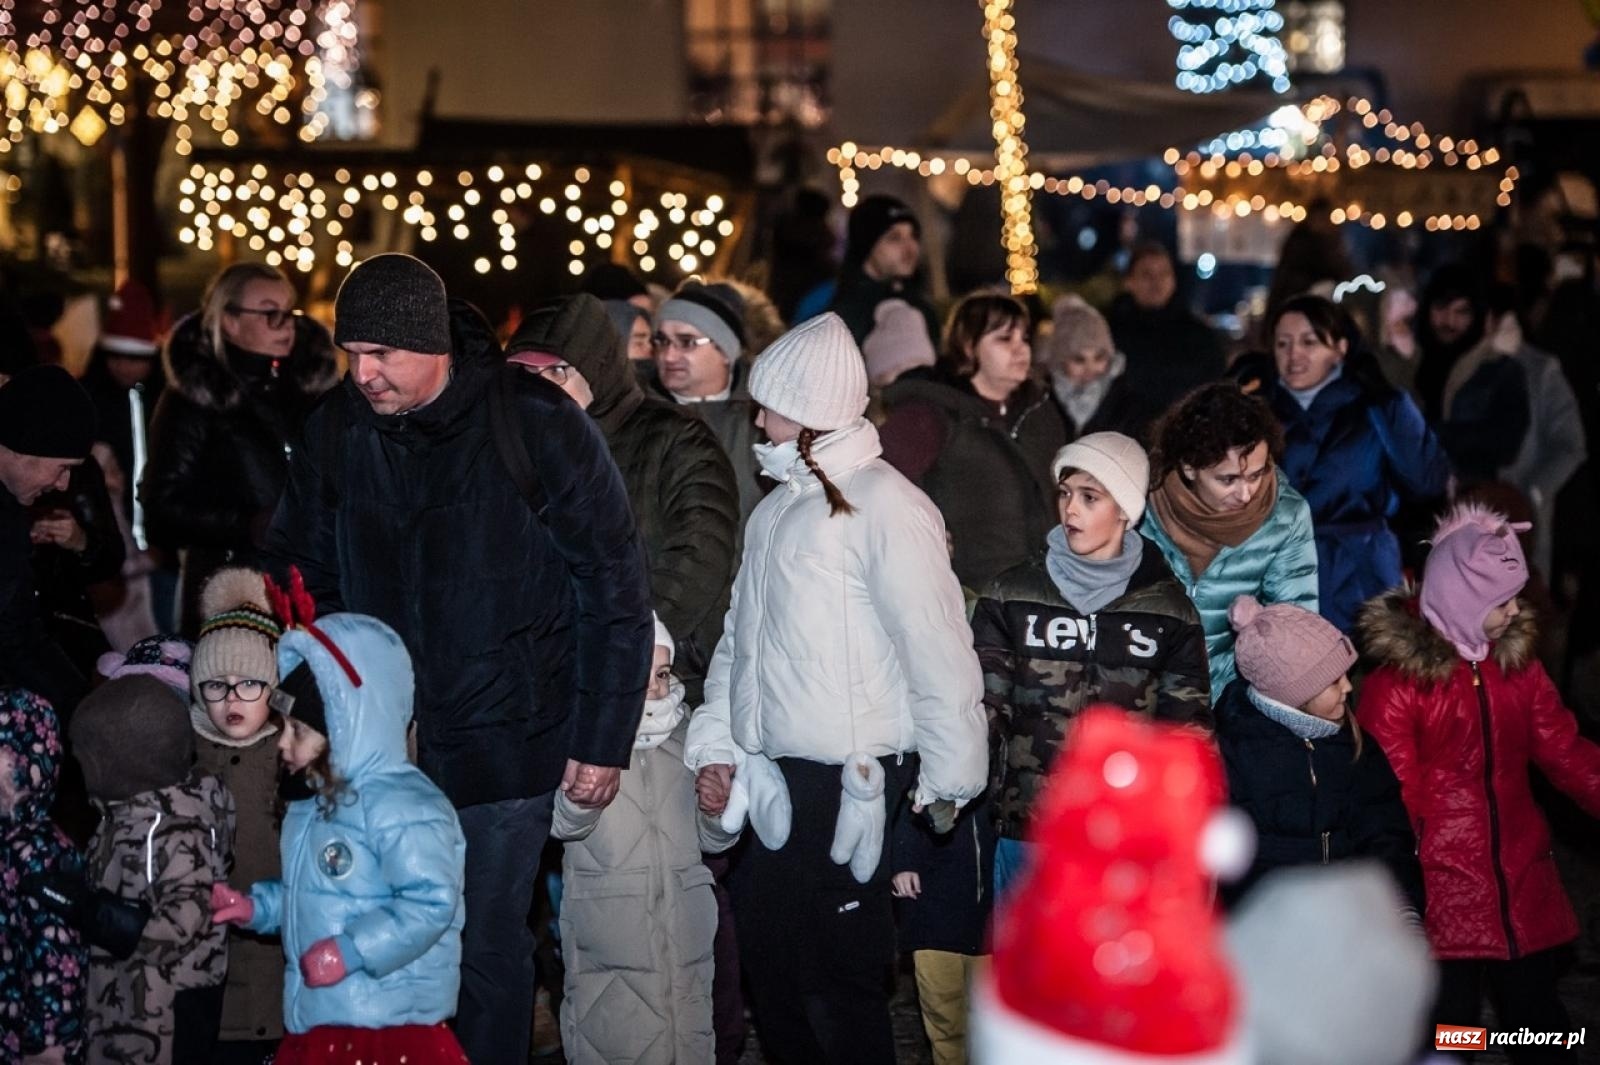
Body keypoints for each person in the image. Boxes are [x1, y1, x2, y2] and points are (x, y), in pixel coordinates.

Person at [264, 254, 653, 1064]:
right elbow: (303, 576)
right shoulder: (337, 429)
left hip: (508, 743)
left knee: (481, 941)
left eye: (382, 354)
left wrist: (602, 735)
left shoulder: (533, 420)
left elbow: (612, 580)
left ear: (432, 343)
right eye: (351, 353)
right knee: (376, 935)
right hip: (378, 752)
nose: (363, 374)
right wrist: (326, 709)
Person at [687, 312, 987, 1064]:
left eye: (772, 407)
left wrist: (949, 775)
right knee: (773, 968)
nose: (760, 421)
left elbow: (936, 646)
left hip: (851, 780)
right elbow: (739, 642)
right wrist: (717, 743)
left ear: (812, 411)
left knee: (840, 981)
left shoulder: (887, 505)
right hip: (773, 776)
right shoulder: (774, 511)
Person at [1359, 504, 1600, 1062]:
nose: (1516, 611)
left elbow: (1564, 749)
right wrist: (1395, 885)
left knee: (1540, 1021)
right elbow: (1391, 794)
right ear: (1463, 600)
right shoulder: (1400, 688)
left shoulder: (1518, 670)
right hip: (1443, 886)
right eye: (1502, 602)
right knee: (1451, 1027)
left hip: (1518, 875)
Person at [211, 604, 470, 1065]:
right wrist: (257, 907)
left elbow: (430, 901)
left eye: (298, 730)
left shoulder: (403, 803)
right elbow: (312, 899)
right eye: (283, 728)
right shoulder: (314, 803)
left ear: (346, 726)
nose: (283, 742)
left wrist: (351, 951)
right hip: (323, 1017)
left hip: (388, 1024)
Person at [975, 432, 1212, 898]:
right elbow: (983, 711)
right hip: (1027, 828)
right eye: (1065, 494)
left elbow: (1186, 732)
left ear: (1124, 509)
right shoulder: (1011, 595)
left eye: (1090, 497)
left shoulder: (1168, 613)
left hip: (1122, 833)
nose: (1070, 510)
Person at [507, 294, 739, 702]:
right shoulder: (513, 448)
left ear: (596, 370)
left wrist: (634, 637)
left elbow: (702, 547)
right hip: (546, 676)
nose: (538, 388)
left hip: (660, 680)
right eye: (523, 373)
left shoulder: (675, 435)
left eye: (557, 372)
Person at [552, 615, 739, 1065]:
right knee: (616, 1042)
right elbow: (560, 825)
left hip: (685, 935)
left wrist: (717, 811)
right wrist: (581, 800)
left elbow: (710, 843)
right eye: (639, 674)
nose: (655, 689)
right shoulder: (582, 735)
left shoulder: (690, 736)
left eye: (662, 674)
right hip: (612, 938)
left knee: (688, 1041)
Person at [141, 262, 338, 635]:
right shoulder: (195, 397)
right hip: (228, 591)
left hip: (308, 588)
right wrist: (247, 525)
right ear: (229, 321)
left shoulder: (309, 392)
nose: (286, 325)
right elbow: (160, 507)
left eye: (290, 312)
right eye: (269, 313)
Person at [1244, 295, 1449, 635]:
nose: (1294, 355)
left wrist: (1398, 416)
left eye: (1309, 342)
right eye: (1283, 344)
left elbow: (1427, 480)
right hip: (1280, 573)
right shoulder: (1256, 412)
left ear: (1340, 348)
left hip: (1362, 575)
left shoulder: (1377, 406)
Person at [1215, 595, 1421, 911]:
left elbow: (1386, 835)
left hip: (1354, 921)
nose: (1348, 688)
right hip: (1271, 927)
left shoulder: (1355, 744)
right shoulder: (1237, 753)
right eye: (1334, 681)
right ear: (1296, 693)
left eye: (1346, 676)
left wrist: (1400, 908)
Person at [71, 675, 234, 1065]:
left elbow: (183, 921)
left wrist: (102, 918)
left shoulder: (179, 829)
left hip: (164, 1018)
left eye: (85, 759)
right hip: (122, 1006)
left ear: (118, 762)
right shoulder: (122, 818)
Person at [880, 292, 1070, 590]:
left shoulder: (1041, 411)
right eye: (1004, 339)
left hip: (1044, 590)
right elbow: (879, 483)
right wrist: (920, 535)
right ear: (969, 346)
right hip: (970, 594)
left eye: (1024, 338)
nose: (1021, 349)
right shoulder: (930, 414)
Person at [1141, 382, 1319, 695]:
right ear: (1189, 467)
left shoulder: (1286, 517)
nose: (1246, 493)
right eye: (1228, 480)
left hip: (1229, 693)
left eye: (1256, 475)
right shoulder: (1141, 505)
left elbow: (1296, 630)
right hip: (1142, 692)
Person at [188, 568, 285, 1062]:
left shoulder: (292, 756)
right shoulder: (185, 756)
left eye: (249, 683)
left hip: (283, 961)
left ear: (275, 688)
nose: (231, 699)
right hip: (213, 967)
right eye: (216, 685)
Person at [0, 364, 99, 714]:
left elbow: (17, 633)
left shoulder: (11, 511)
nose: (63, 484)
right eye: (63, 467)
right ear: (22, 448)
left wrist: (84, 709)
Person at [1, 687, 88, 1065]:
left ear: (25, 761)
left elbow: (55, 951)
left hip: (30, 1044)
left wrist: (50, 1043)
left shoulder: (40, 852)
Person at [651, 280, 765, 522]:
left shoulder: (764, 418)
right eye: (662, 341)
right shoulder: (635, 410)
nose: (668, 355)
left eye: (687, 342)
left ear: (725, 351)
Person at [1106, 242, 1226, 418]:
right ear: (1129, 281)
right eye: (1147, 274)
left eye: (1164, 273)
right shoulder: (1110, 333)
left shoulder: (1200, 337)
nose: (1156, 282)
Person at [828, 194, 939, 350]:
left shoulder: (920, 305)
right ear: (867, 246)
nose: (910, 248)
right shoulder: (846, 317)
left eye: (914, 236)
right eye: (894, 238)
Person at [1045, 294, 1151, 441]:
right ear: (1060, 361)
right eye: (1079, 360)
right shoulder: (1041, 402)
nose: (1090, 369)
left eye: (1099, 358)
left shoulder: (1131, 407)